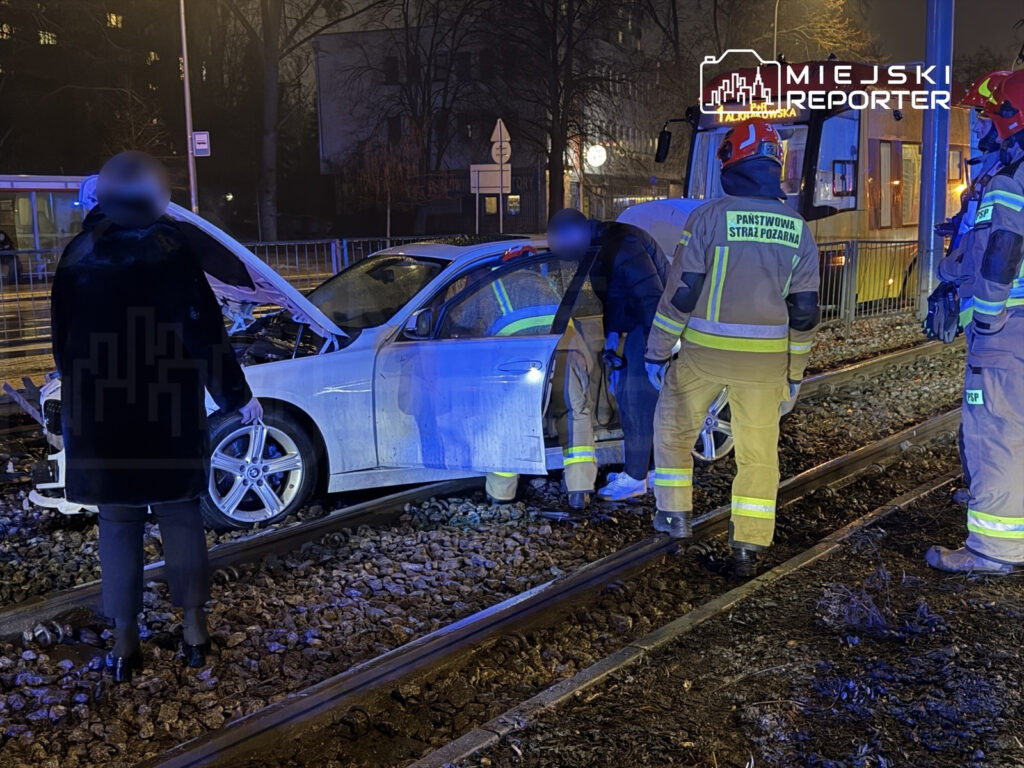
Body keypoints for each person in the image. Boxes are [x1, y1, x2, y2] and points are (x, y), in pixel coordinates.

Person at [50, 151, 262, 682]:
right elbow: (203, 330)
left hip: (103, 417)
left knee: (117, 522)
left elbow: (61, 345)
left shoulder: (77, 255)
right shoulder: (172, 249)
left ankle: (124, 642)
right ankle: (194, 631)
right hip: (165, 410)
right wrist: (237, 395)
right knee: (180, 516)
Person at [644, 119, 820, 579]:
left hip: (702, 357)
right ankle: (747, 546)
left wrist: (658, 351)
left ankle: (675, 516)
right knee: (759, 454)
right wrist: (795, 373)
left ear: (732, 161)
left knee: (673, 430)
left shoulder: (707, 218)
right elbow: (804, 312)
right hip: (765, 366)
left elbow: (681, 293)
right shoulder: (797, 229)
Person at [926, 69, 1024, 574]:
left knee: (997, 432)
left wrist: (985, 318)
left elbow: (1002, 250)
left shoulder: (1011, 179)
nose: (985, 125)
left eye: (990, 115)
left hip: (1007, 329)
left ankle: (992, 550)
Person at [445, 248, 597, 509]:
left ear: (503, 266)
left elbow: (460, 318)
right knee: (574, 417)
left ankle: (501, 496)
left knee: (508, 424)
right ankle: (579, 490)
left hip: (520, 361)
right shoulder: (546, 282)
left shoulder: (494, 285)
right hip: (566, 355)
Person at [547, 208, 668, 501]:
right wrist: (612, 337)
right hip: (644, 322)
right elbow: (616, 294)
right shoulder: (604, 244)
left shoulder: (622, 244)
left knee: (634, 396)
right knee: (630, 393)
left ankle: (637, 478)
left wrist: (657, 354)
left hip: (655, 324)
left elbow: (651, 299)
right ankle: (644, 470)